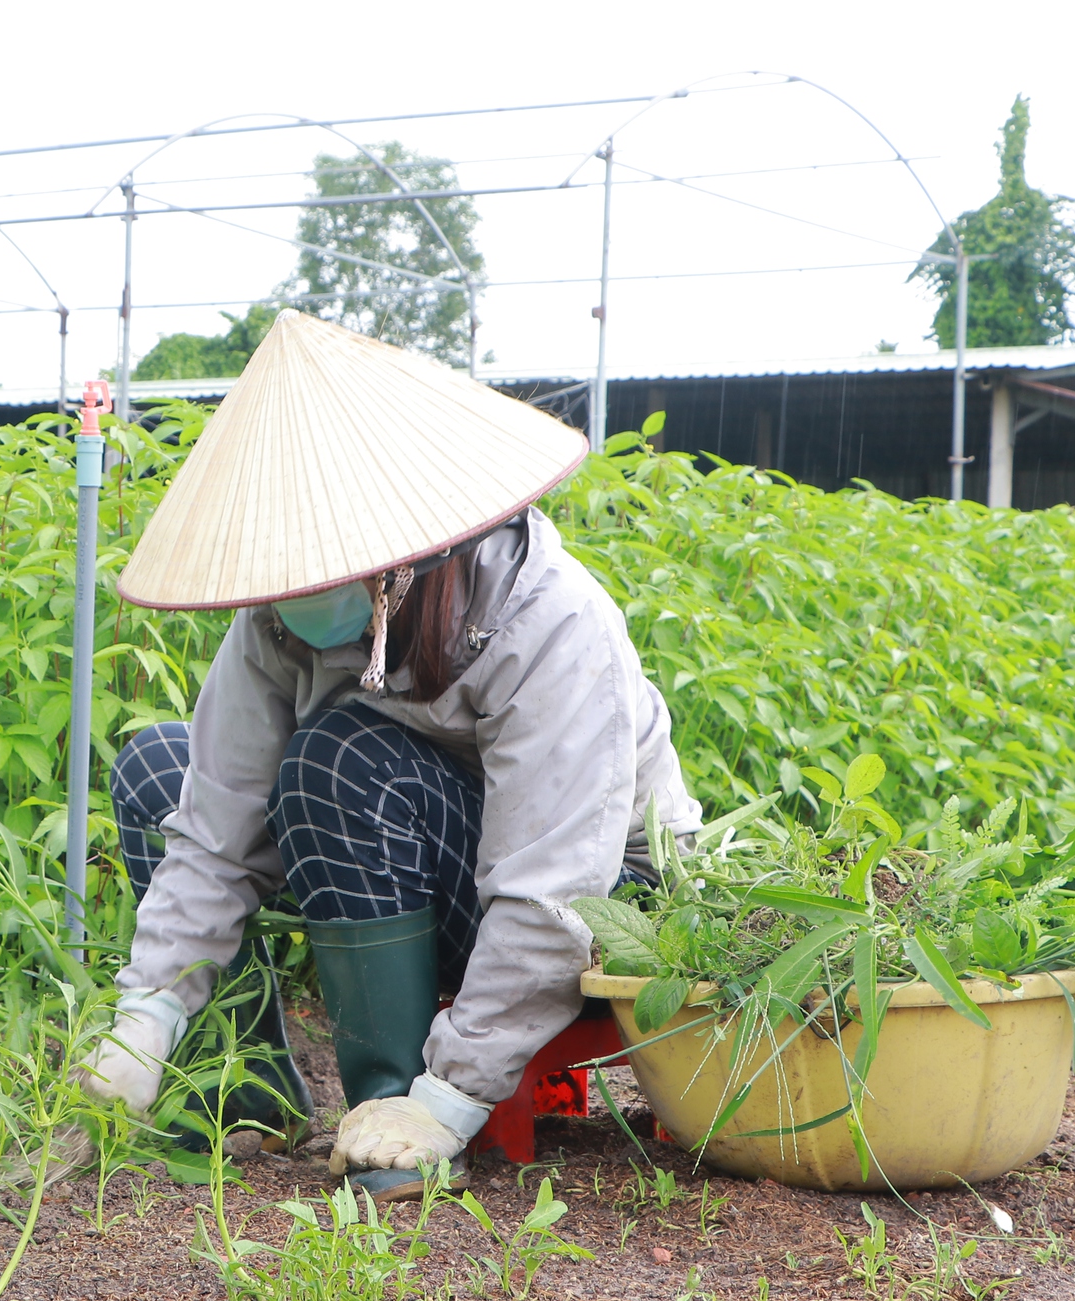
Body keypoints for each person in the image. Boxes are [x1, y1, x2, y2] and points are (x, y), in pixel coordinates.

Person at [79, 310, 700, 1196]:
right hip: (417, 856)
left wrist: (450, 1098)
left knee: (340, 756)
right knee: (158, 769)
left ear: (406, 560)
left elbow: (556, 888)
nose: (293, 600)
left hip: (600, 904)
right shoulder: (277, 622)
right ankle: (243, 1087)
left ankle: (394, 1112)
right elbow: (216, 827)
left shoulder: (551, 623)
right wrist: (143, 1014)